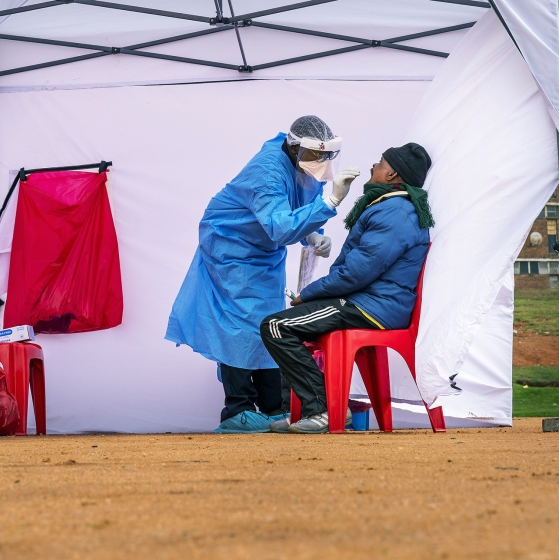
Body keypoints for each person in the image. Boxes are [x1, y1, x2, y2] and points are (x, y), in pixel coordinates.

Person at [166, 116, 361, 433]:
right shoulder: (267, 171)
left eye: (326, 156)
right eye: (315, 156)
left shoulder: (302, 162)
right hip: (230, 245)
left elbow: (298, 206)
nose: (321, 164)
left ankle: (273, 408)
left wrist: (312, 234)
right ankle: (237, 410)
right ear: (294, 146)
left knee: (269, 321)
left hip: (265, 249)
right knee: (238, 323)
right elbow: (281, 225)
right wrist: (331, 202)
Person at [260, 143, 434, 433]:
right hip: (368, 302)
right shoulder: (392, 207)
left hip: (370, 306)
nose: (373, 167)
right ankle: (312, 408)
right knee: (288, 326)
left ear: (392, 174)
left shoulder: (396, 212)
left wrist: (309, 294)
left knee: (277, 326)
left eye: (379, 163)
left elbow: (358, 272)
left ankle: (322, 409)